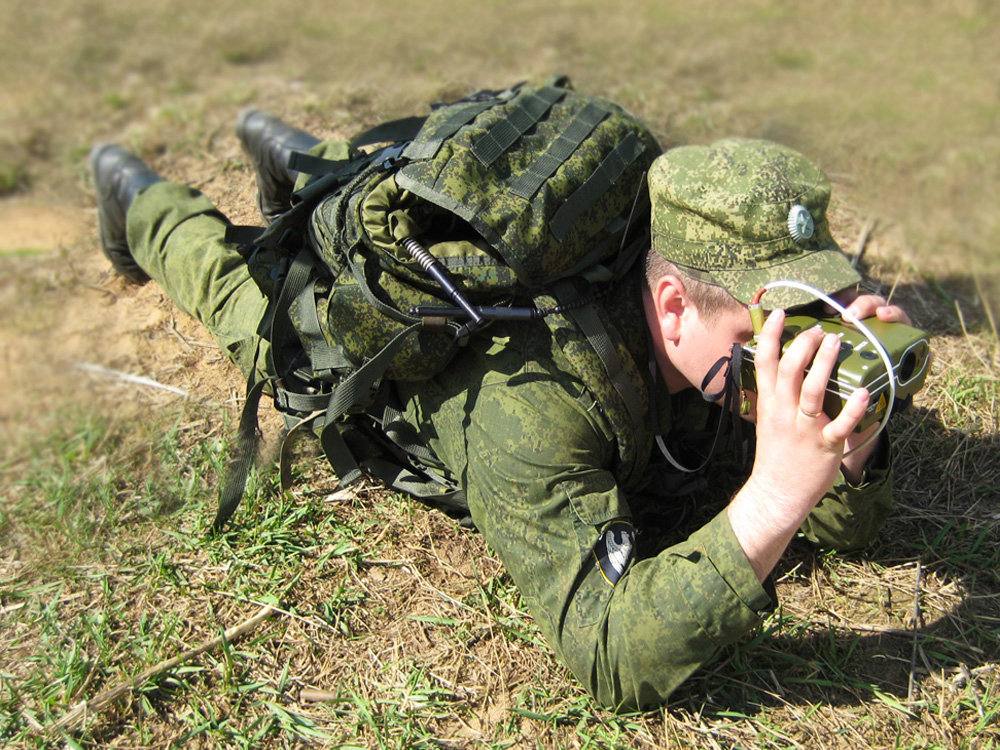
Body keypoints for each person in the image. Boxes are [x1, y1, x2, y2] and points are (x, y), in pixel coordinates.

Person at [89, 110, 910, 711]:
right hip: (364, 335)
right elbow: (610, 652)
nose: (797, 344)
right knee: (241, 298)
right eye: (769, 325)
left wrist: (851, 435)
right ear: (672, 307)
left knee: (326, 176)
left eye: (816, 308)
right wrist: (770, 497)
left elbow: (843, 525)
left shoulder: (703, 296)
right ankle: (141, 196)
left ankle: (296, 154)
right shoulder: (536, 407)